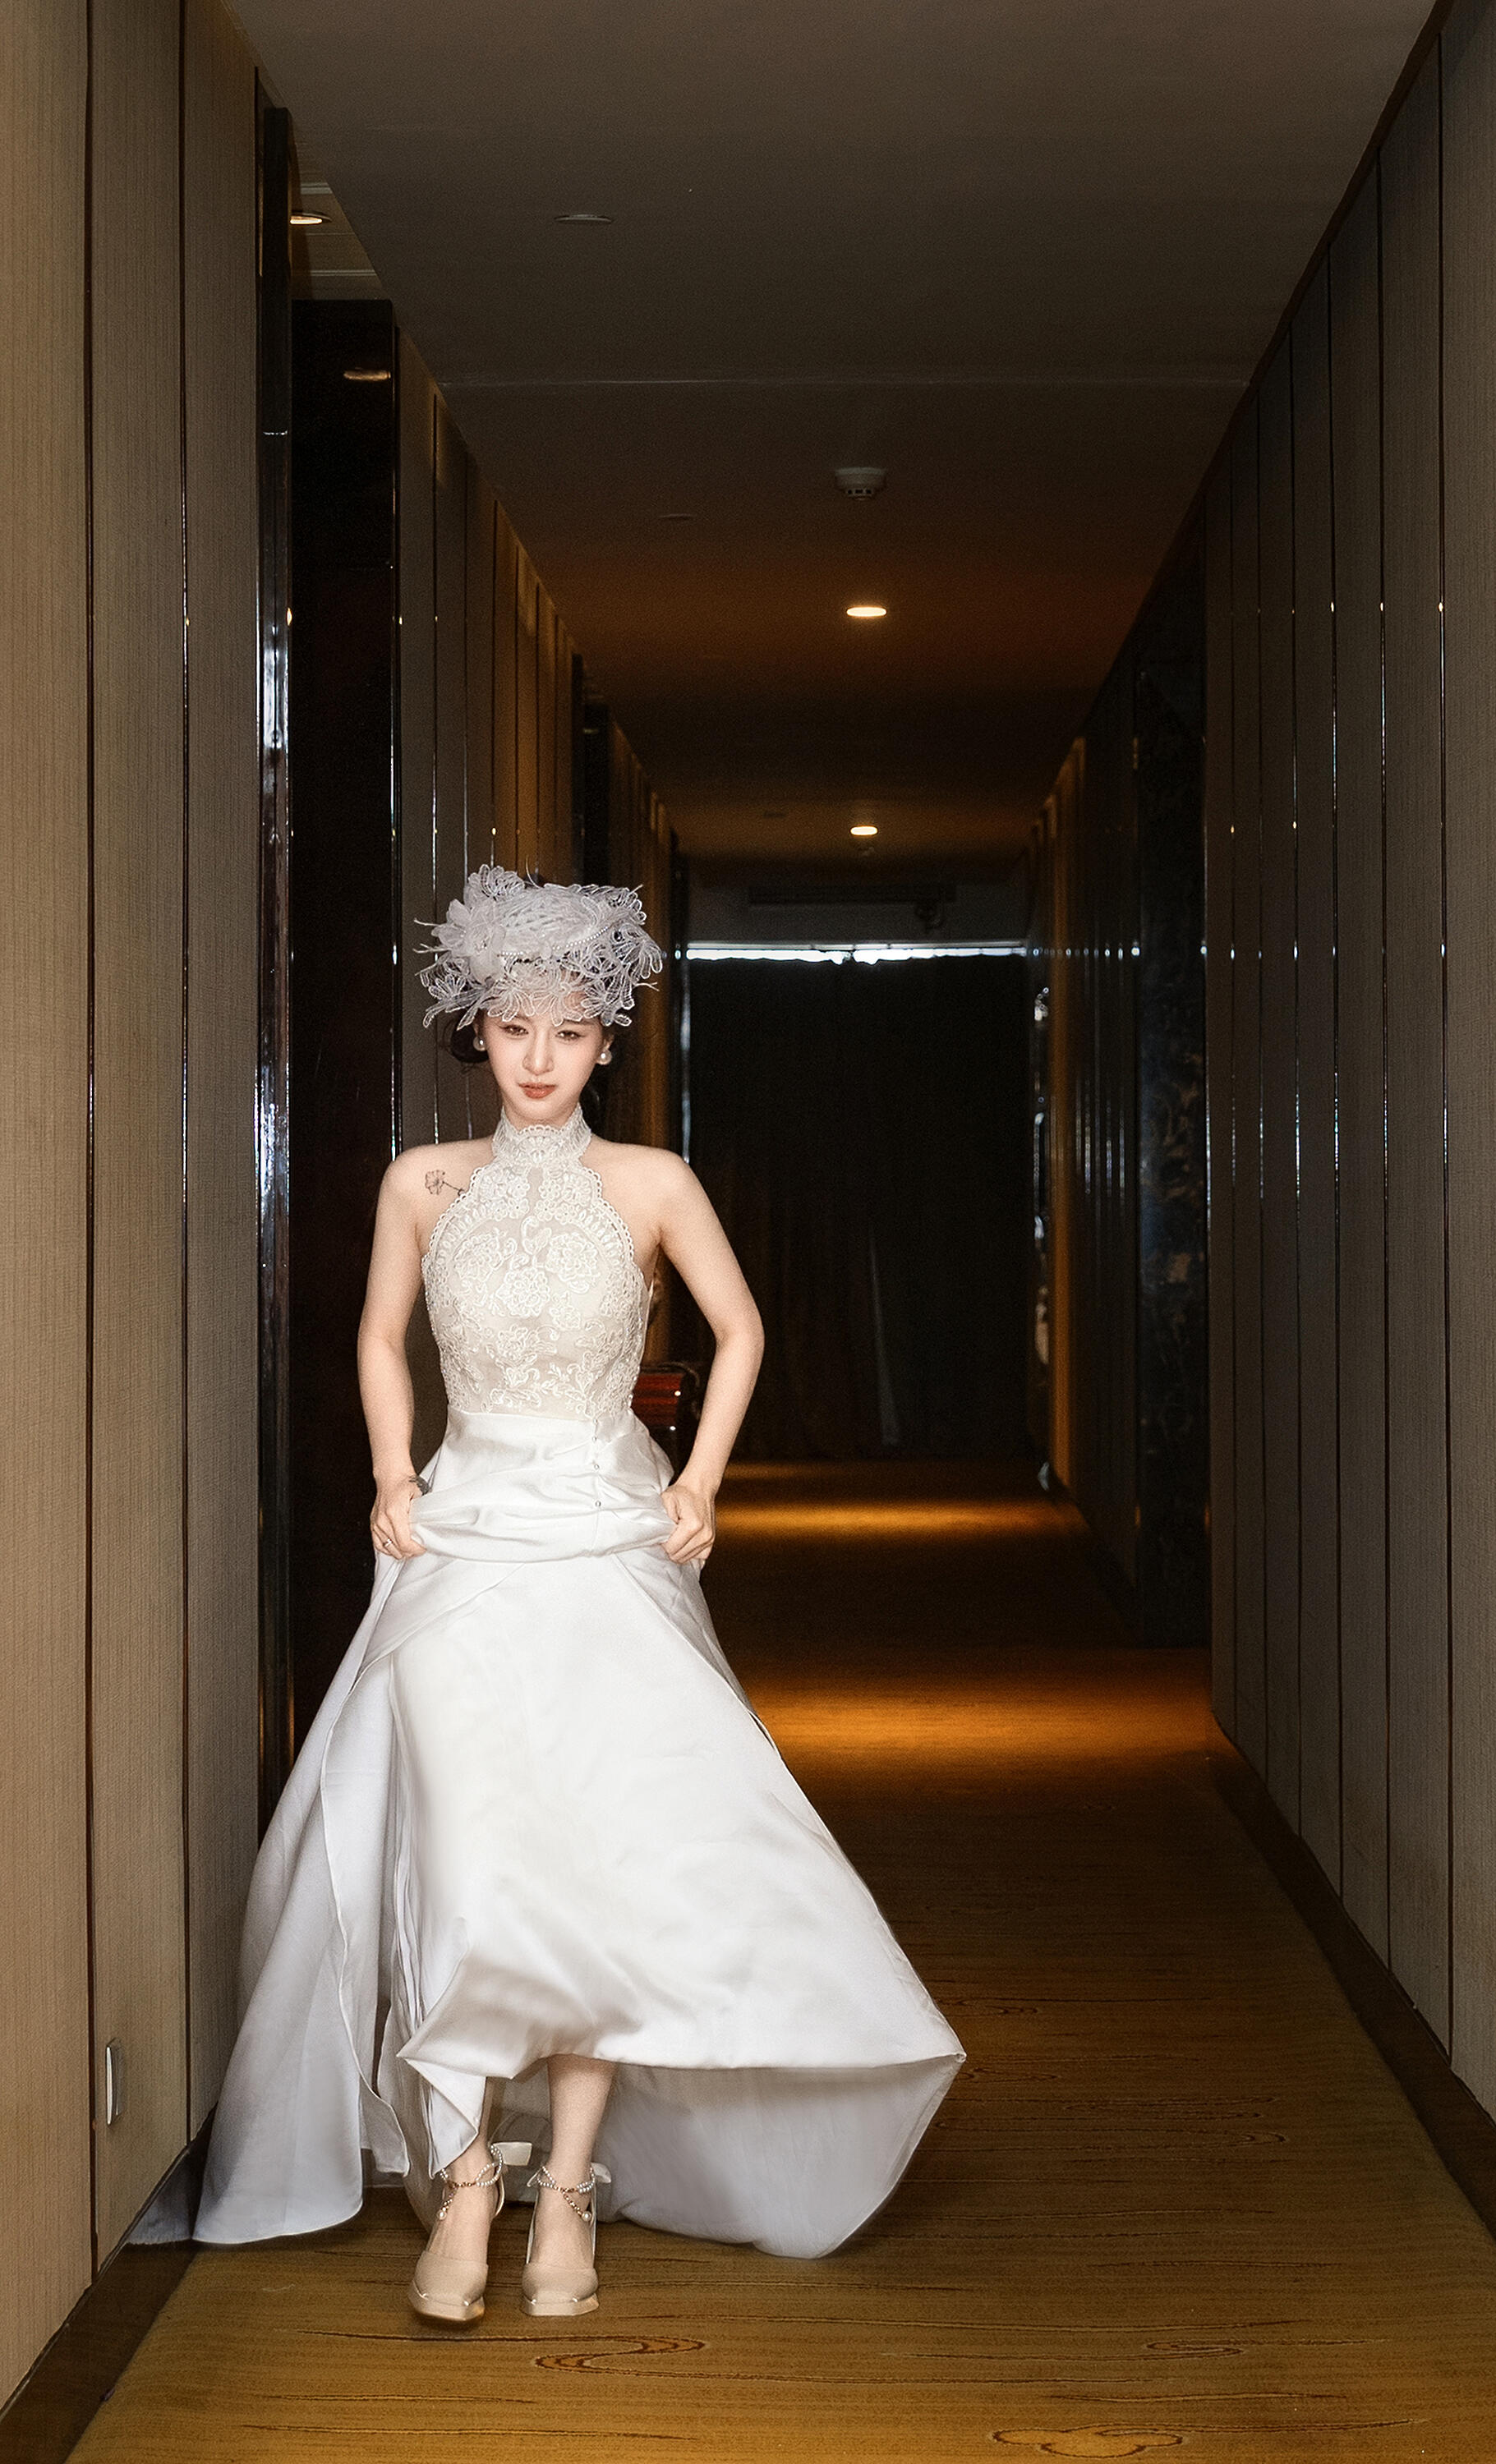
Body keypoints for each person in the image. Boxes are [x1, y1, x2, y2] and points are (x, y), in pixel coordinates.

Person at [195, 869, 963, 2324]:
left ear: (606, 1039)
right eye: (512, 1028)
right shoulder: (423, 1183)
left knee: (598, 1864)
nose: (538, 1057)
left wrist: (700, 1485)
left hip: (611, 1541)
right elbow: (377, 1337)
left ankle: (564, 2195)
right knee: (466, 1863)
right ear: (478, 1034)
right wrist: (392, 1471)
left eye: (567, 1030)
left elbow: (740, 1332)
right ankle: (463, 2183)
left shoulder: (654, 1182)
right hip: (465, 1541)